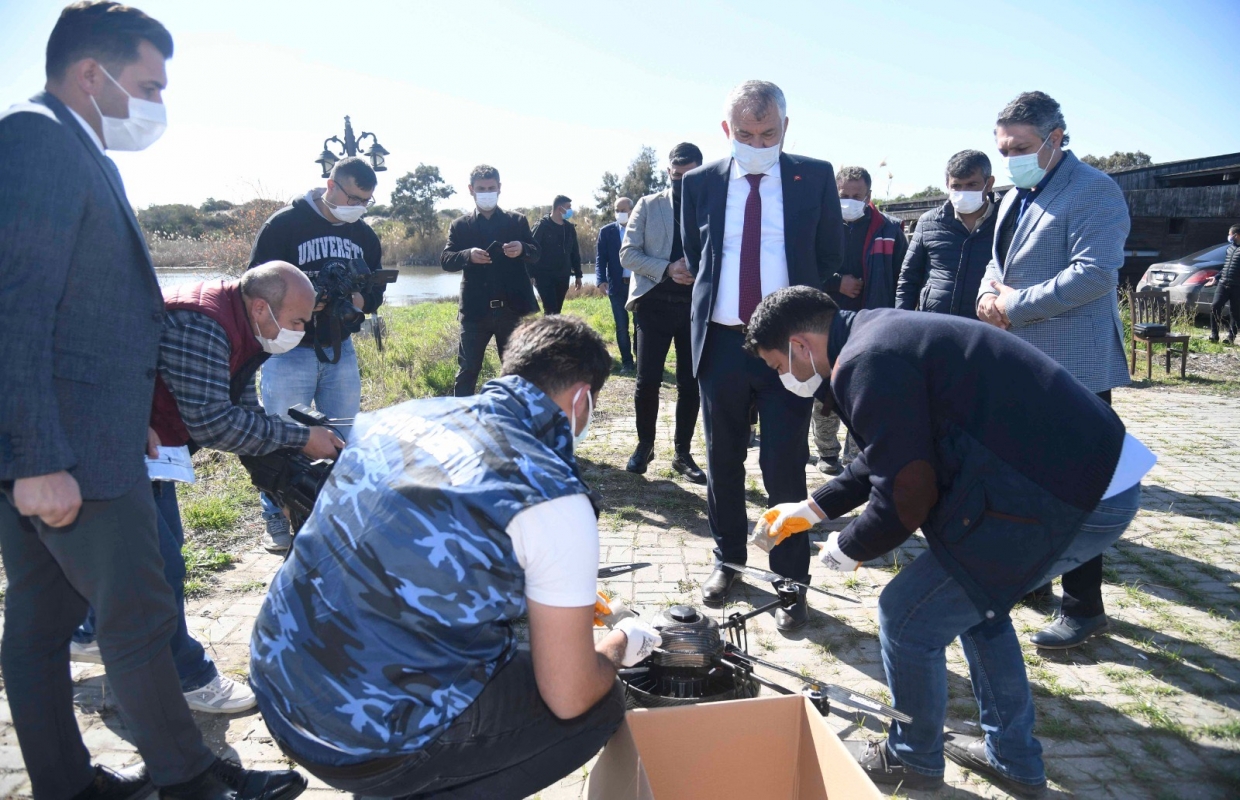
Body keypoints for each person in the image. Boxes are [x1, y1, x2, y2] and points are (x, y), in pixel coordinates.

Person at [0, 3, 306, 798]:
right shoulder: (37, 139)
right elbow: (15, 306)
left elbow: (82, 317)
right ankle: (191, 779)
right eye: (148, 86)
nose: (157, 104)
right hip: (68, 456)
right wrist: (36, 459)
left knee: (40, 624)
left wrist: (130, 410)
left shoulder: (76, 147)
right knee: (137, 616)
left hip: (89, 433)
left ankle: (68, 785)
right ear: (91, 73)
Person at [746, 286, 1154, 798]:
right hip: (1098, 474)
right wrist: (810, 509)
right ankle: (1013, 759)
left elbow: (907, 492)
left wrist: (848, 548)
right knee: (973, 605)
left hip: (1074, 491)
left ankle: (912, 758)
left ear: (800, 346)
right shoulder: (875, 336)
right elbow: (891, 449)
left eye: (777, 364)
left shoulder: (865, 361)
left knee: (906, 614)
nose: (782, 378)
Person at [249, 315, 661, 797]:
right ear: (582, 399)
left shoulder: (399, 415)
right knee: (599, 701)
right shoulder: (553, 496)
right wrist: (619, 644)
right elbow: (569, 695)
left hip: (277, 685)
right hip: (360, 746)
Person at [70, 263, 343, 715]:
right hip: (106, 441)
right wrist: (300, 438)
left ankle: (92, 634)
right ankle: (187, 678)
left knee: (155, 550)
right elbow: (214, 423)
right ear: (262, 308)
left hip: (147, 443)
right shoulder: (202, 324)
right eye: (297, 321)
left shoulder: (244, 323)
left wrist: (280, 467)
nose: (301, 332)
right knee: (160, 567)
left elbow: (242, 406)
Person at [680, 81, 844, 629]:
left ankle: (791, 580)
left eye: (768, 134)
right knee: (722, 462)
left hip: (788, 347)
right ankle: (728, 561)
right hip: (721, 342)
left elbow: (829, 254)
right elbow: (697, 255)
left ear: (786, 128)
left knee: (784, 465)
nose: (757, 144)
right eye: (745, 134)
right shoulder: (699, 182)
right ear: (726, 130)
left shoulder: (814, 177)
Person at [977, 91, 1132, 650]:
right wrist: (986, 295)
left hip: (1074, 367)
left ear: (1056, 138)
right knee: (1026, 482)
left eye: (1020, 148)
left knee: (1077, 489)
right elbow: (999, 262)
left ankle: (1084, 607)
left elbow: (1094, 274)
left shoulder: (1094, 190)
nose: (1010, 158)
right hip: (1023, 360)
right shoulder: (1018, 195)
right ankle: (1036, 579)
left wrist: (1012, 306)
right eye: (1003, 150)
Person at [247, 156, 385, 553]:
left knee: (342, 435)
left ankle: (332, 514)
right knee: (281, 435)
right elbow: (254, 284)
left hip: (339, 349)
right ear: (331, 185)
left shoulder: (364, 235)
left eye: (366, 201)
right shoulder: (284, 225)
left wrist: (359, 300)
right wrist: (306, 301)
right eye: (353, 198)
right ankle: (277, 515)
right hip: (287, 349)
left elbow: (376, 288)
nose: (358, 207)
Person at [812, 165, 908, 476]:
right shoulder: (818, 225)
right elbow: (805, 267)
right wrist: (836, 282)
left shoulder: (889, 229)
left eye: (857, 195)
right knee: (825, 388)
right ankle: (827, 452)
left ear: (869, 196)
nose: (850, 200)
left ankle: (857, 455)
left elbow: (904, 276)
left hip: (871, 322)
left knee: (864, 390)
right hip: (826, 321)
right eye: (844, 194)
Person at [620, 142, 707, 484]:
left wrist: (699, 270)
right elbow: (628, 254)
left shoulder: (712, 207)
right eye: (677, 175)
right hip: (653, 305)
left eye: (691, 175)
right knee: (647, 382)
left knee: (690, 383)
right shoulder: (648, 204)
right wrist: (668, 268)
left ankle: (682, 454)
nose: (682, 181)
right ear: (668, 171)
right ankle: (645, 446)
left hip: (695, 308)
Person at [441, 163, 543, 396]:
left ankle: (517, 414)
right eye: (481, 188)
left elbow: (537, 253)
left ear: (499, 188)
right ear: (471, 189)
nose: (486, 192)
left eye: (490, 188)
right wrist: (467, 255)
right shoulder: (460, 225)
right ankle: (463, 415)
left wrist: (522, 248)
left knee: (517, 371)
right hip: (475, 312)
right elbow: (446, 260)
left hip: (512, 310)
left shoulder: (517, 221)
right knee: (468, 370)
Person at [895, 150, 998, 319]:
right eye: (956, 186)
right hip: (934, 322)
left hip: (984, 326)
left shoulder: (1006, 222)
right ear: (947, 184)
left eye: (972, 184)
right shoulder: (929, 222)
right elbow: (908, 279)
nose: (963, 192)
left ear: (989, 183)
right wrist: (902, 321)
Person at [596, 196, 635, 371]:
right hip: (616, 286)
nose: (620, 214)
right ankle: (627, 362)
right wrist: (601, 280)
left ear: (632, 211)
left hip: (638, 285)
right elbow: (600, 259)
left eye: (623, 210)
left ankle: (642, 360)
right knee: (621, 326)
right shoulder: (606, 232)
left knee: (640, 325)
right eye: (617, 210)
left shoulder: (640, 229)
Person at [530, 195, 583, 314]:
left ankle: (551, 326)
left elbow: (575, 253)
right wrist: (530, 275)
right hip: (543, 276)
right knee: (551, 310)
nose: (571, 210)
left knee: (557, 311)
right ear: (560, 208)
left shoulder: (569, 228)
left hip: (563, 275)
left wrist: (578, 275)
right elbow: (531, 250)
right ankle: (549, 327)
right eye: (568, 207)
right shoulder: (542, 226)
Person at [1206, 224, 1240, 344]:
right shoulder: (1229, 248)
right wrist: (1216, 277)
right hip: (1223, 283)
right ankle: (1214, 335)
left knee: (1235, 312)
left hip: (1237, 286)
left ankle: (1230, 338)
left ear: (1236, 235)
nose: (1229, 236)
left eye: (1230, 234)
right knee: (1215, 307)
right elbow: (1226, 267)